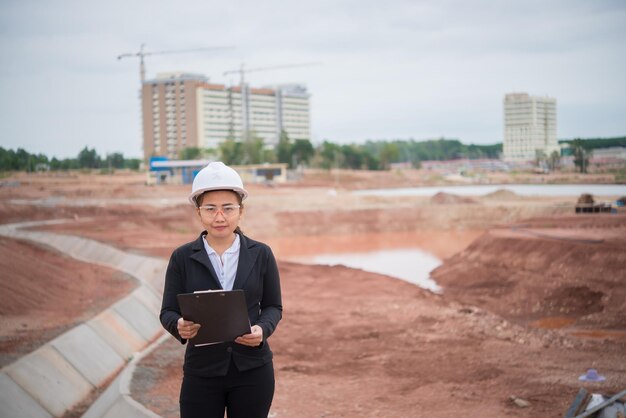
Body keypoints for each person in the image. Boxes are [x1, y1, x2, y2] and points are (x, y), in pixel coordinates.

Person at [160, 161, 282, 418]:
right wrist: (179, 325)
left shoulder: (261, 254)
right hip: (201, 373)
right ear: (198, 212)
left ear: (241, 211)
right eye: (211, 209)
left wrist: (262, 329)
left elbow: (273, 306)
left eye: (228, 208)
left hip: (253, 371)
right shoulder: (182, 257)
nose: (219, 217)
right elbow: (168, 311)